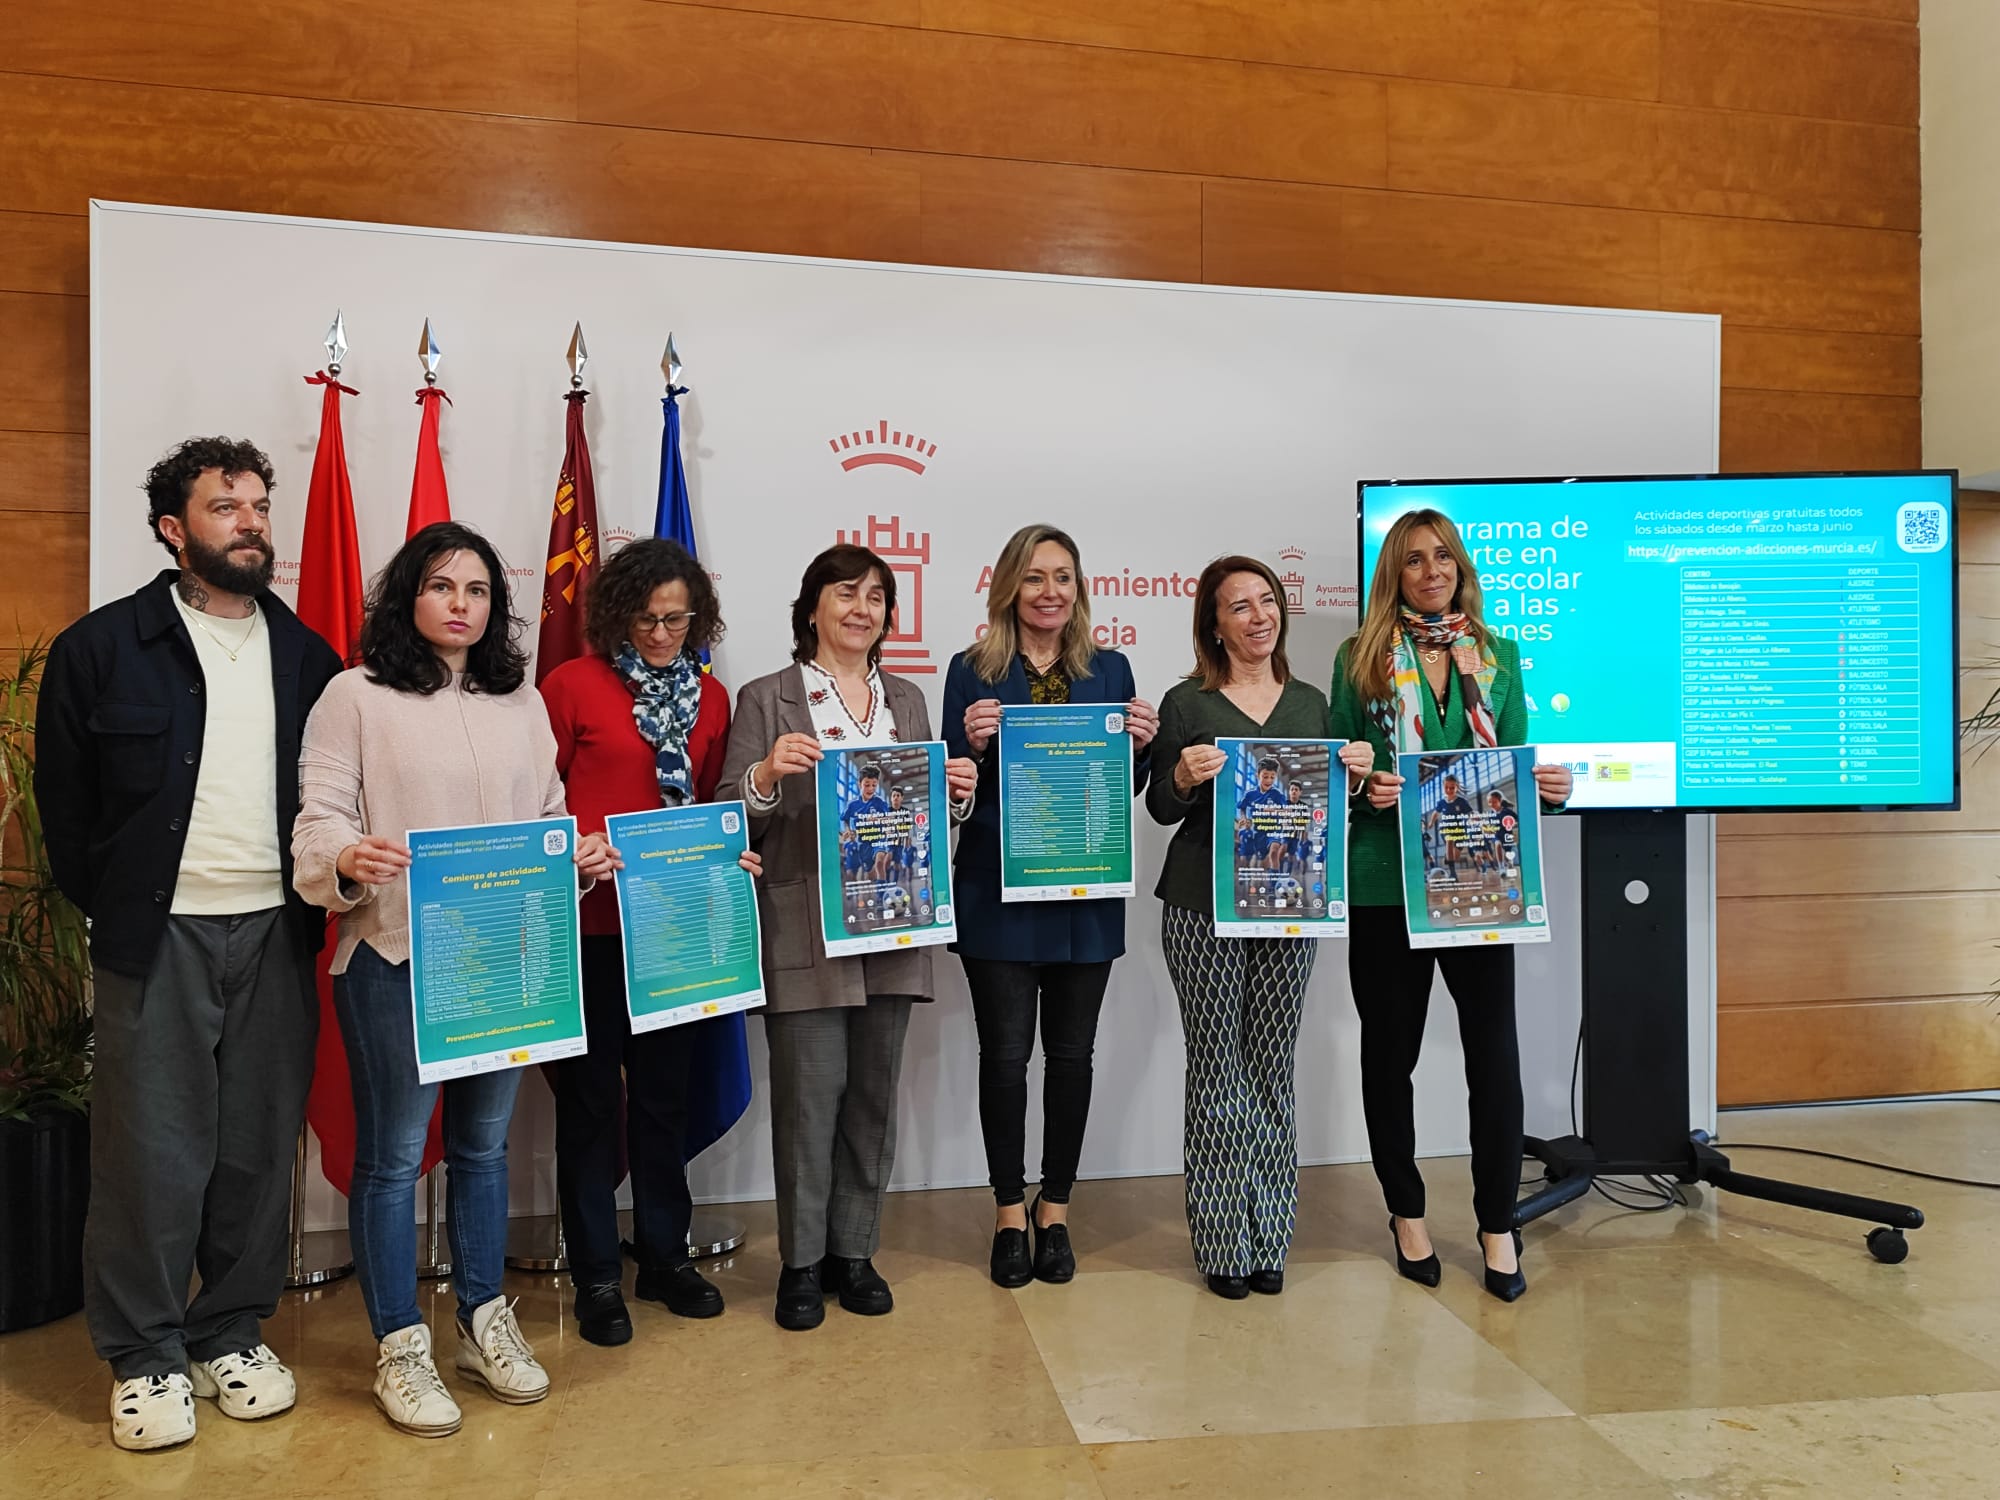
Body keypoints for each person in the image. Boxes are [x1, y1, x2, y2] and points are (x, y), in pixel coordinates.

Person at [35, 437, 342, 1452]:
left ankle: (230, 1330)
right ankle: (145, 1353)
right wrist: (125, 905)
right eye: (227, 507)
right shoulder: (101, 649)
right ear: (175, 529)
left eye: (260, 505)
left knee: (255, 1148)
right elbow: (67, 814)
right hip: (155, 937)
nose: (252, 522)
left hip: (276, 930)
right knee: (150, 1154)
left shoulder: (309, 658)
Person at [293, 522, 619, 1435]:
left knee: (483, 1151)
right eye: (443, 587)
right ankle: (400, 1344)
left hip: (509, 960)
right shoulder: (352, 695)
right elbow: (316, 823)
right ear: (408, 596)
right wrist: (347, 858)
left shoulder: (520, 701)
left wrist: (579, 856)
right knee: (395, 1158)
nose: (461, 605)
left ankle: (483, 1319)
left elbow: (549, 814)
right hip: (393, 955)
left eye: (477, 591)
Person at [717, 544, 977, 1330]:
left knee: (872, 1097)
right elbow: (731, 808)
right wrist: (765, 775)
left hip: (895, 922)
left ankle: (853, 1253)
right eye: (844, 594)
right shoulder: (768, 697)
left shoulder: (908, 699)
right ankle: (800, 1264)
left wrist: (957, 796)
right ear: (812, 610)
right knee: (808, 1101)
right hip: (807, 925)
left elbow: (929, 822)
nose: (861, 609)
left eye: (875, 597)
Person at [1328, 508, 1571, 1304]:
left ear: (1460, 568)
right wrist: (1366, 785)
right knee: (1388, 1059)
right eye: (1412, 561)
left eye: (1443, 558)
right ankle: (1407, 1213)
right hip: (1383, 886)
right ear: (1392, 575)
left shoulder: (1496, 657)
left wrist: (1552, 792)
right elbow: (1338, 775)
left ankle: (1497, 1222)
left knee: (1493, 1057)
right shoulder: (1357, 661)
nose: (1431, 571)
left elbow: (1514, 763)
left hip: (1478, 885)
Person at [538, 538, 762, 1347]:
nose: (664, 634)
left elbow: (712, 802)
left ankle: (664, 1256)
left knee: (665, 1103)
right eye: (647, 619)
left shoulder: (711, 699)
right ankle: (597, 1273)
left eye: (678, 619)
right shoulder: (569, 687)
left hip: (676, 931)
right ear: (616, 616)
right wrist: (574, 845)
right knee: (592, 1108)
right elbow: (537, 804)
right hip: (590, 929)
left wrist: (730, 847)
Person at [941, 524, 1157, 1287]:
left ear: (1080, 588)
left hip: (1086, 890)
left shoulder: (1111, 668)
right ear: (1008, 587)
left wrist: (1139, 747)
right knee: (1003, 1059)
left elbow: (1124, 789)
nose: (1050, 591)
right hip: (997, 893)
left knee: (1072, 1058)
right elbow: (951, 795)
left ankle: (1055, 1208)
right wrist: (967, 749)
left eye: (1063, 577)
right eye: (1035, 577)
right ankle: (1007, 1211)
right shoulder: (971, 671)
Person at [1146, 555, 1345, 1299]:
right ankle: (1224, 1238)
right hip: (1202, 907)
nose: (1258, 616)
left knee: (1272, 1067)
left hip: (1291, 910)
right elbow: (1161, 808)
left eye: (1268, 601)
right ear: (1215, 624)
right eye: (1240, 606)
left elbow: (1331, 816)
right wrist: (1184, 777)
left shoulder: (1313, 706)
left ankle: (1271, 1235)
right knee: (1218, 1069)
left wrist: (1352, 774)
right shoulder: (1185, 703)